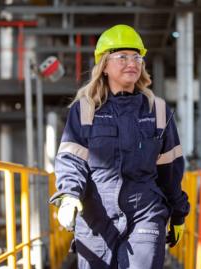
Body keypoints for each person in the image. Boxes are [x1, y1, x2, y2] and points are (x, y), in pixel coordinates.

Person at [50, 24, 190, 269]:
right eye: (122, 56)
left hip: (145, 213)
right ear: (104, 65)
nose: (132, 63)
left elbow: (171, 170)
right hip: (96, 217)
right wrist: (69, 195)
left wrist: (178, 213)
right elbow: (72, 160)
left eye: (137, 57)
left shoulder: (157, 111)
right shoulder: (85, 110)